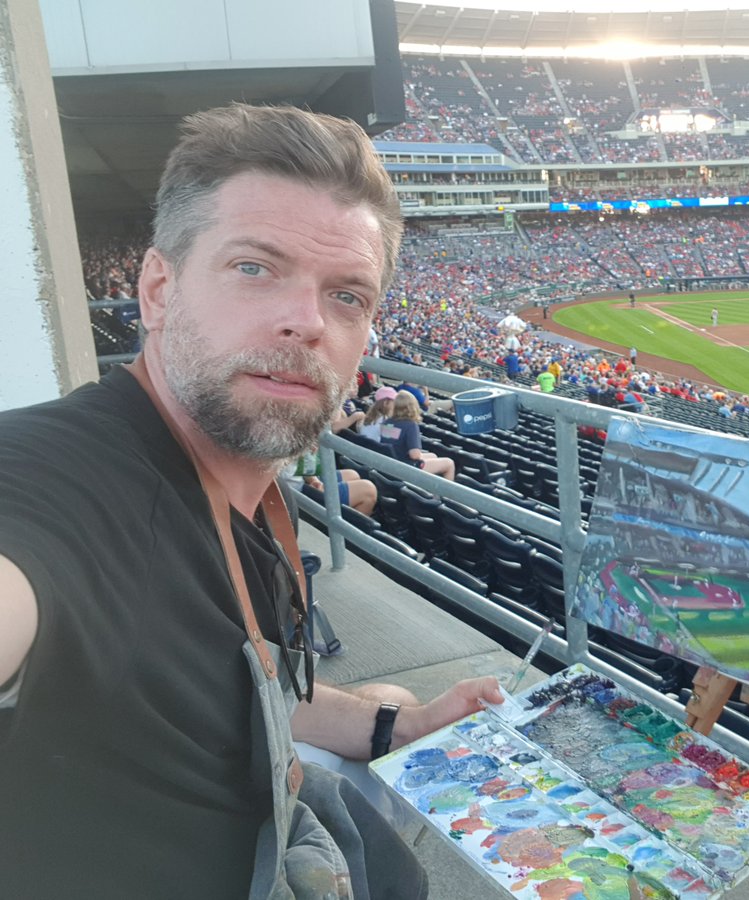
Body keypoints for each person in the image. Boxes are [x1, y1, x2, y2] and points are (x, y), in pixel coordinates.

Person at [0, 103, 501, 898]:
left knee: (392, 696)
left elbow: (238, 682)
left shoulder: (253, 490)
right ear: (159, 289)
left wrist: (397, 728)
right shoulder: (55, 475)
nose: (305, 321)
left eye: (347, 296)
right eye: (254, 268)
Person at [388, 391, 455, 479]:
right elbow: (415, 455)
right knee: (449, 463)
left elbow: (393, 441)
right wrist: (419, 456)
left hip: (394, 461)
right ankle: (447, 492)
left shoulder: (387, 423)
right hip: (406, 466)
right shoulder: (410, 425)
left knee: (433, 456)